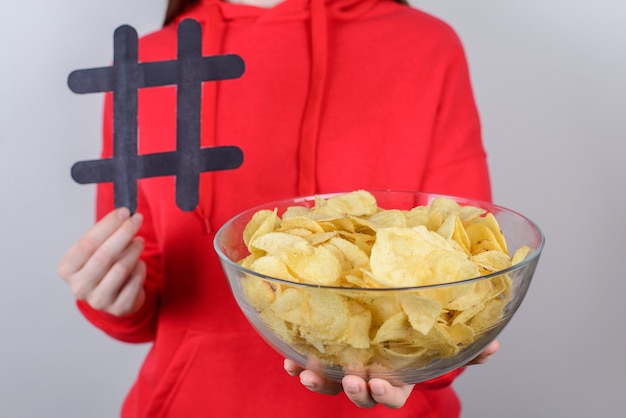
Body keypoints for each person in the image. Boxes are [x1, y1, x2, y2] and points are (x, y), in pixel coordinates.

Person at [58, 0, 499, 416]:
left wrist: (438, 356)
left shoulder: (423, 46)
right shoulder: (148, 64)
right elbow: (149, 277)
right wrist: (113, 295)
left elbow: (465, 273)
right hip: (192, 403)